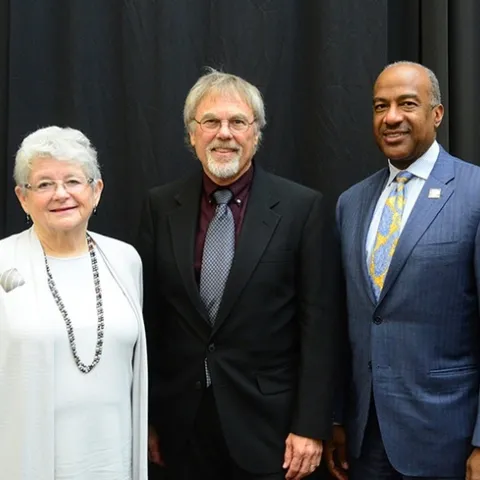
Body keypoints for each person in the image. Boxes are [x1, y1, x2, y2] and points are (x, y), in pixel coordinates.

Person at [137, 69, 337, 480]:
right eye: (210, 121)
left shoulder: (302, 209)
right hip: (181, 430)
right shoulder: (160, 207)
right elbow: (150, 320)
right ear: (192, 134)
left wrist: (310, 426)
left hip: (271, 432)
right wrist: (149, 417)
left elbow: (320, 326)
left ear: (256, 134)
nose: (224, 133)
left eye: (238, 122)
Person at [326, 61, 480, 480]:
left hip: (448, 440)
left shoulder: (474, 193)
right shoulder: (351, 203)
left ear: (437, 114)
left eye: (406, 104)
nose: (391, 117)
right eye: (380, 106)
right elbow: (346, 322)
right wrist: (338, 417)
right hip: (364, 441)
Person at [0, 126, 148, 480]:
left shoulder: (125, 259)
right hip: (28, 458)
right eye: (44, 184)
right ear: (22, 197)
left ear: (96, 191)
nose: (60, 194)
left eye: (73, 181)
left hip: (114, 457)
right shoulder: (3, 261)